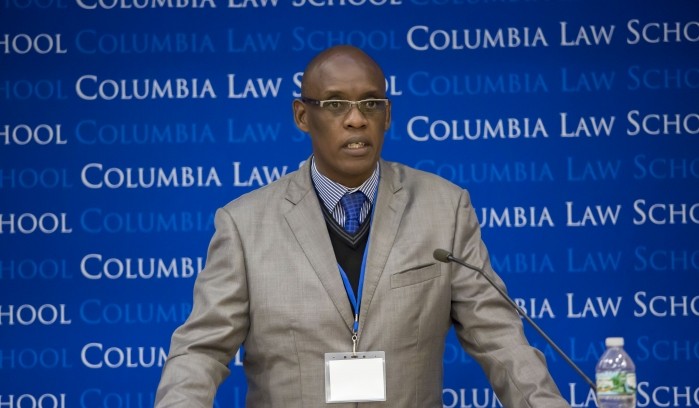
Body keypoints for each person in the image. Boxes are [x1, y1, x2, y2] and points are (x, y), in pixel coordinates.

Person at [155, 45, 570, 407]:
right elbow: (201, 351)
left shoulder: (445, 209)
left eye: (371, 103)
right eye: (335, 104)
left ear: (387, 115)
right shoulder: (244, 225)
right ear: (302, 115)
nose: (356, 120)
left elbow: (498, 337)